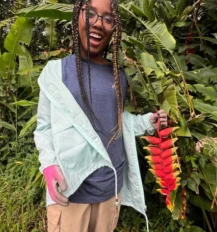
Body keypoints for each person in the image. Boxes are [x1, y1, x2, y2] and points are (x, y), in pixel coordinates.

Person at [33, 0, 168, 231]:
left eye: (107, 18)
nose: (98, 24)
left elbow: (117, 123)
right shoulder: (56, 73)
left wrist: (147, 122)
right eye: (91, 14)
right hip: (71, 190)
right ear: (77, 18)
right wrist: (49, 166)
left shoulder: (118, 75)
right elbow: (44, 127)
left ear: (114, 27)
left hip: (110, 188)